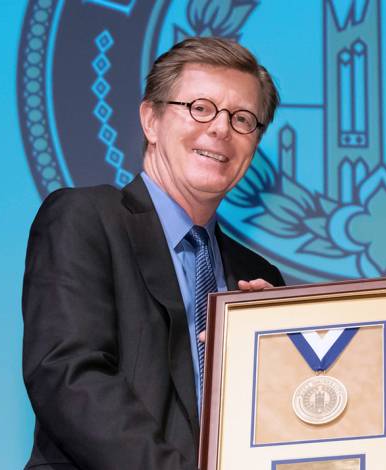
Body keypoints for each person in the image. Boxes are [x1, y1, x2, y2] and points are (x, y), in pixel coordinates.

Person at [22, 37, 284, 469]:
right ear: (151, 120)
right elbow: (69, 376)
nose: (220, 128)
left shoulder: (257, 276)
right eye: (199, 108)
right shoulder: (85, 219)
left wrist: (277, 360)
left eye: (243, 119)